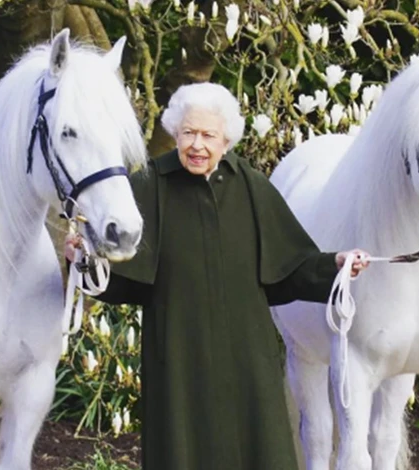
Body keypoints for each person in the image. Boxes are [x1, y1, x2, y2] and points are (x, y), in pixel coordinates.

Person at [64, 82, 370, 470]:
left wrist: (336, 264)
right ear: (175, 133)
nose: (197, 145)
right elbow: (121, 275)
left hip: (248, 359)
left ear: (226, 140)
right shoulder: (150, 185)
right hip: (177, 357)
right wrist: (84, 260)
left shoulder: (251, 186)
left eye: (208, 135)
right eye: (188, 132)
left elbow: (291, 267)